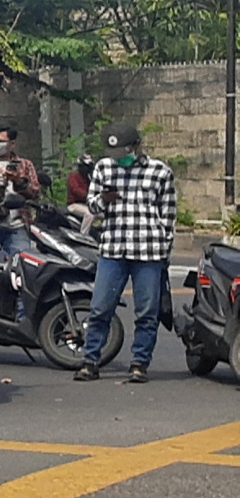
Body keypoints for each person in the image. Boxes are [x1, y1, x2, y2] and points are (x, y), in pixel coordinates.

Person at [77, 123, 177, 384]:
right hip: (113, 248)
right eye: (115, 152)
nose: (119, 157)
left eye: (123, 151)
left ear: (136, 146)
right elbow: (91, 205)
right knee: (100, 308)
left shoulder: (159, 172)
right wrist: (105, 200)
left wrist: (165, 253)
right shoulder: (103, 168)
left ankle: (139, 363)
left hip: (148, 251)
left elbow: (168, 216)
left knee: (146, 312)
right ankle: (90, 361)